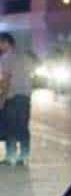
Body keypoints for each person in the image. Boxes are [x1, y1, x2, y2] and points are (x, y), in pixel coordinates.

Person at [0, 33, 33, 167]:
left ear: (6, 43)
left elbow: (6, 80)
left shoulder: (6, 58)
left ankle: (10, 157)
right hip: (25, 96)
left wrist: (2, 99)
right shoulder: (24, 57)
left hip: (12, 96)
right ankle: (23, 157)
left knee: (10, 128)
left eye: (0, 43)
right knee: (23, 127)